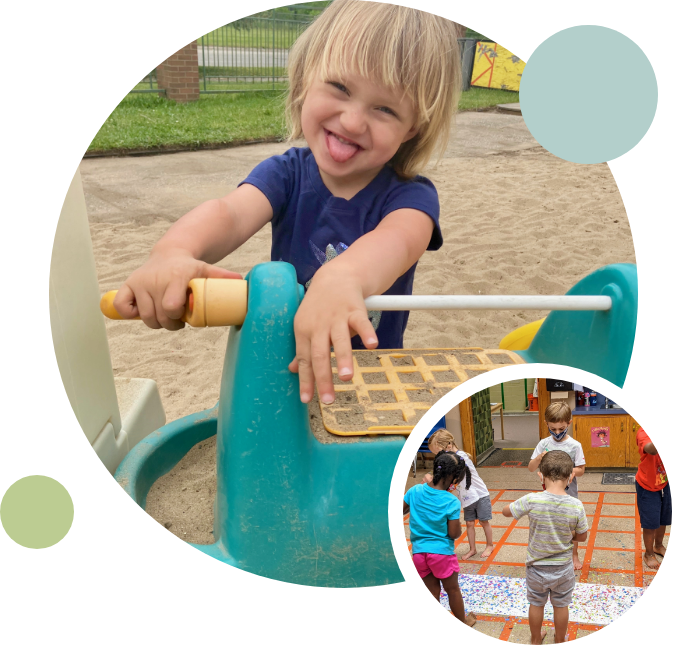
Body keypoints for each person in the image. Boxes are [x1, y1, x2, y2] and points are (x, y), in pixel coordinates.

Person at [112, 1, 461, 407]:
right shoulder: (286, 174)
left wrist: (343, 275)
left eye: (384, 109)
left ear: (411, 128)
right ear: (304, 81)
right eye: (340, 88)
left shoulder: (411, 197)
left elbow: (398, 241)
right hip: (290, 367)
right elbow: (230, 213)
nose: (352, 121)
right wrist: (173, 252)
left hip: (368, 381)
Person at [503, 451, 588, 644]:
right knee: (561, 606)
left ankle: (535, 638)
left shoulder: (532, 499)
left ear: (541, 475)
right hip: (563, 569)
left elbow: (506, 511)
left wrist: (513, 506)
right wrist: (566, 533)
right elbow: (582, 536)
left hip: (536, 568)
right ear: (570, 477)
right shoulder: (576, 505)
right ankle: (559, 640)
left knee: (536, 604)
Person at [404, 450, 477, 626]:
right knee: (452, 590)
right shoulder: (451, 501)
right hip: (442, 554)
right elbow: (453, 534)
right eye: (458, 480)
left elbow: (400, 510)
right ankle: (463, 623)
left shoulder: (415, 490)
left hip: (419, 553)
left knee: (431, 592)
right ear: (453, 477)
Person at [528, 401, 586, 569]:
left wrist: (567, 471)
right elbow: (531, 468)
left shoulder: (575, 445)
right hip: (548, 494)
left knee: (570, 525)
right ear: (546, 424)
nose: (557, 432)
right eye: (553, 429)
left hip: (569, 494)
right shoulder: (543, 444)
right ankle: (552, 552)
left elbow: (581, 470)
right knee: (552, 523)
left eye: (561, 428)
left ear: (569, 422)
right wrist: (539, 458)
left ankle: (574, 554)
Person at [423, 429, 494, 559]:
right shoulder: (451, 458)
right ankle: (472, 549)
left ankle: (490, 545)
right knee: (469, 523)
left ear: (448, 446)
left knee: (484, 522)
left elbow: (454, 477)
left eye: (439, 454)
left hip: (480, 494)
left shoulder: (461, 458)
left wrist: (435, 482)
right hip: (467, 497)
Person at [634, 427, 670, 569]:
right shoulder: (645, 431)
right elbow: (652, 449)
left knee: (664, 518)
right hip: (647, 485)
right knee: (650, 522)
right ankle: (648, 553)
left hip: (666, 482)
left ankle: (658, 546)